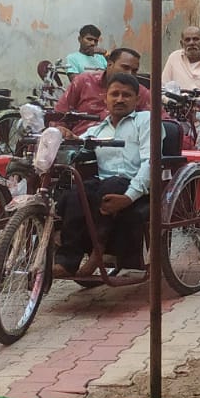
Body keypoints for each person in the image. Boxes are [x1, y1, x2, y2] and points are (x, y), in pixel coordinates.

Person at [52, 73, 152, 277]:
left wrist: (129, 197)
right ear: (106, 98)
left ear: (137, 99)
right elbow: (78, 145)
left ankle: (98, 252)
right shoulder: (97, 130)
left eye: (126, 95)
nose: (120, 99)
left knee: (110, 187)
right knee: (75, 194)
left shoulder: (145, 121)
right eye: (115, 94)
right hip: (105, 182)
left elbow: (151, 162)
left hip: (134, 184)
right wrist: (66, 135)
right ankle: (67, 261)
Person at [55, 47, 152, 133]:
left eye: (134, 71)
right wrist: (62, 132)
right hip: (80, 143)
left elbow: (156, 123)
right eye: (125, 67)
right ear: (109, 64)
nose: (130, 74)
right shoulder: (83, 82)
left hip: (122, 144)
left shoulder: (141, 93)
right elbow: (58, 115)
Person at [160, 25, 200, 91]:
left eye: (196, 39)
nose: (191, 43)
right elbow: (164, 86)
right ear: (181, 43)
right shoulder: (174, 58)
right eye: (187, 40)